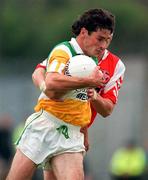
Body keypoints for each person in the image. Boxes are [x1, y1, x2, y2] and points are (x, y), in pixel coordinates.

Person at [7, 8, 125, 180]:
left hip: (73, 132)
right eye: (100, 39)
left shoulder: (112, 65)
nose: (103, 46)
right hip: (45, 124)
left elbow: (106, 109)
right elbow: (41, 74)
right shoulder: (66, 50)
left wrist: (86, 121)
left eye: (108, 40)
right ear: (84, 32)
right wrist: (44, 87)